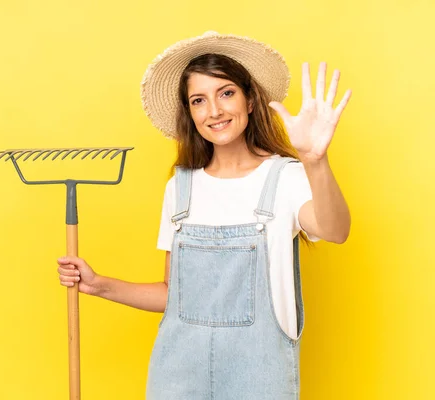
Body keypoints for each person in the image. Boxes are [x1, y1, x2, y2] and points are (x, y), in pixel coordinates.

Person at [57, 31, 351, 399]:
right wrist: (97, 283)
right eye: (199, 100)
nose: (214, 110)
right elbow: (173, 296)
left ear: (250, 100)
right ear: (190, 113)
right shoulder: (180, 188)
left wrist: (315, 161)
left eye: (226, 93)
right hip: (178, 374)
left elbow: (336, 230)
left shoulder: (287, 177)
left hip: (259, 375)